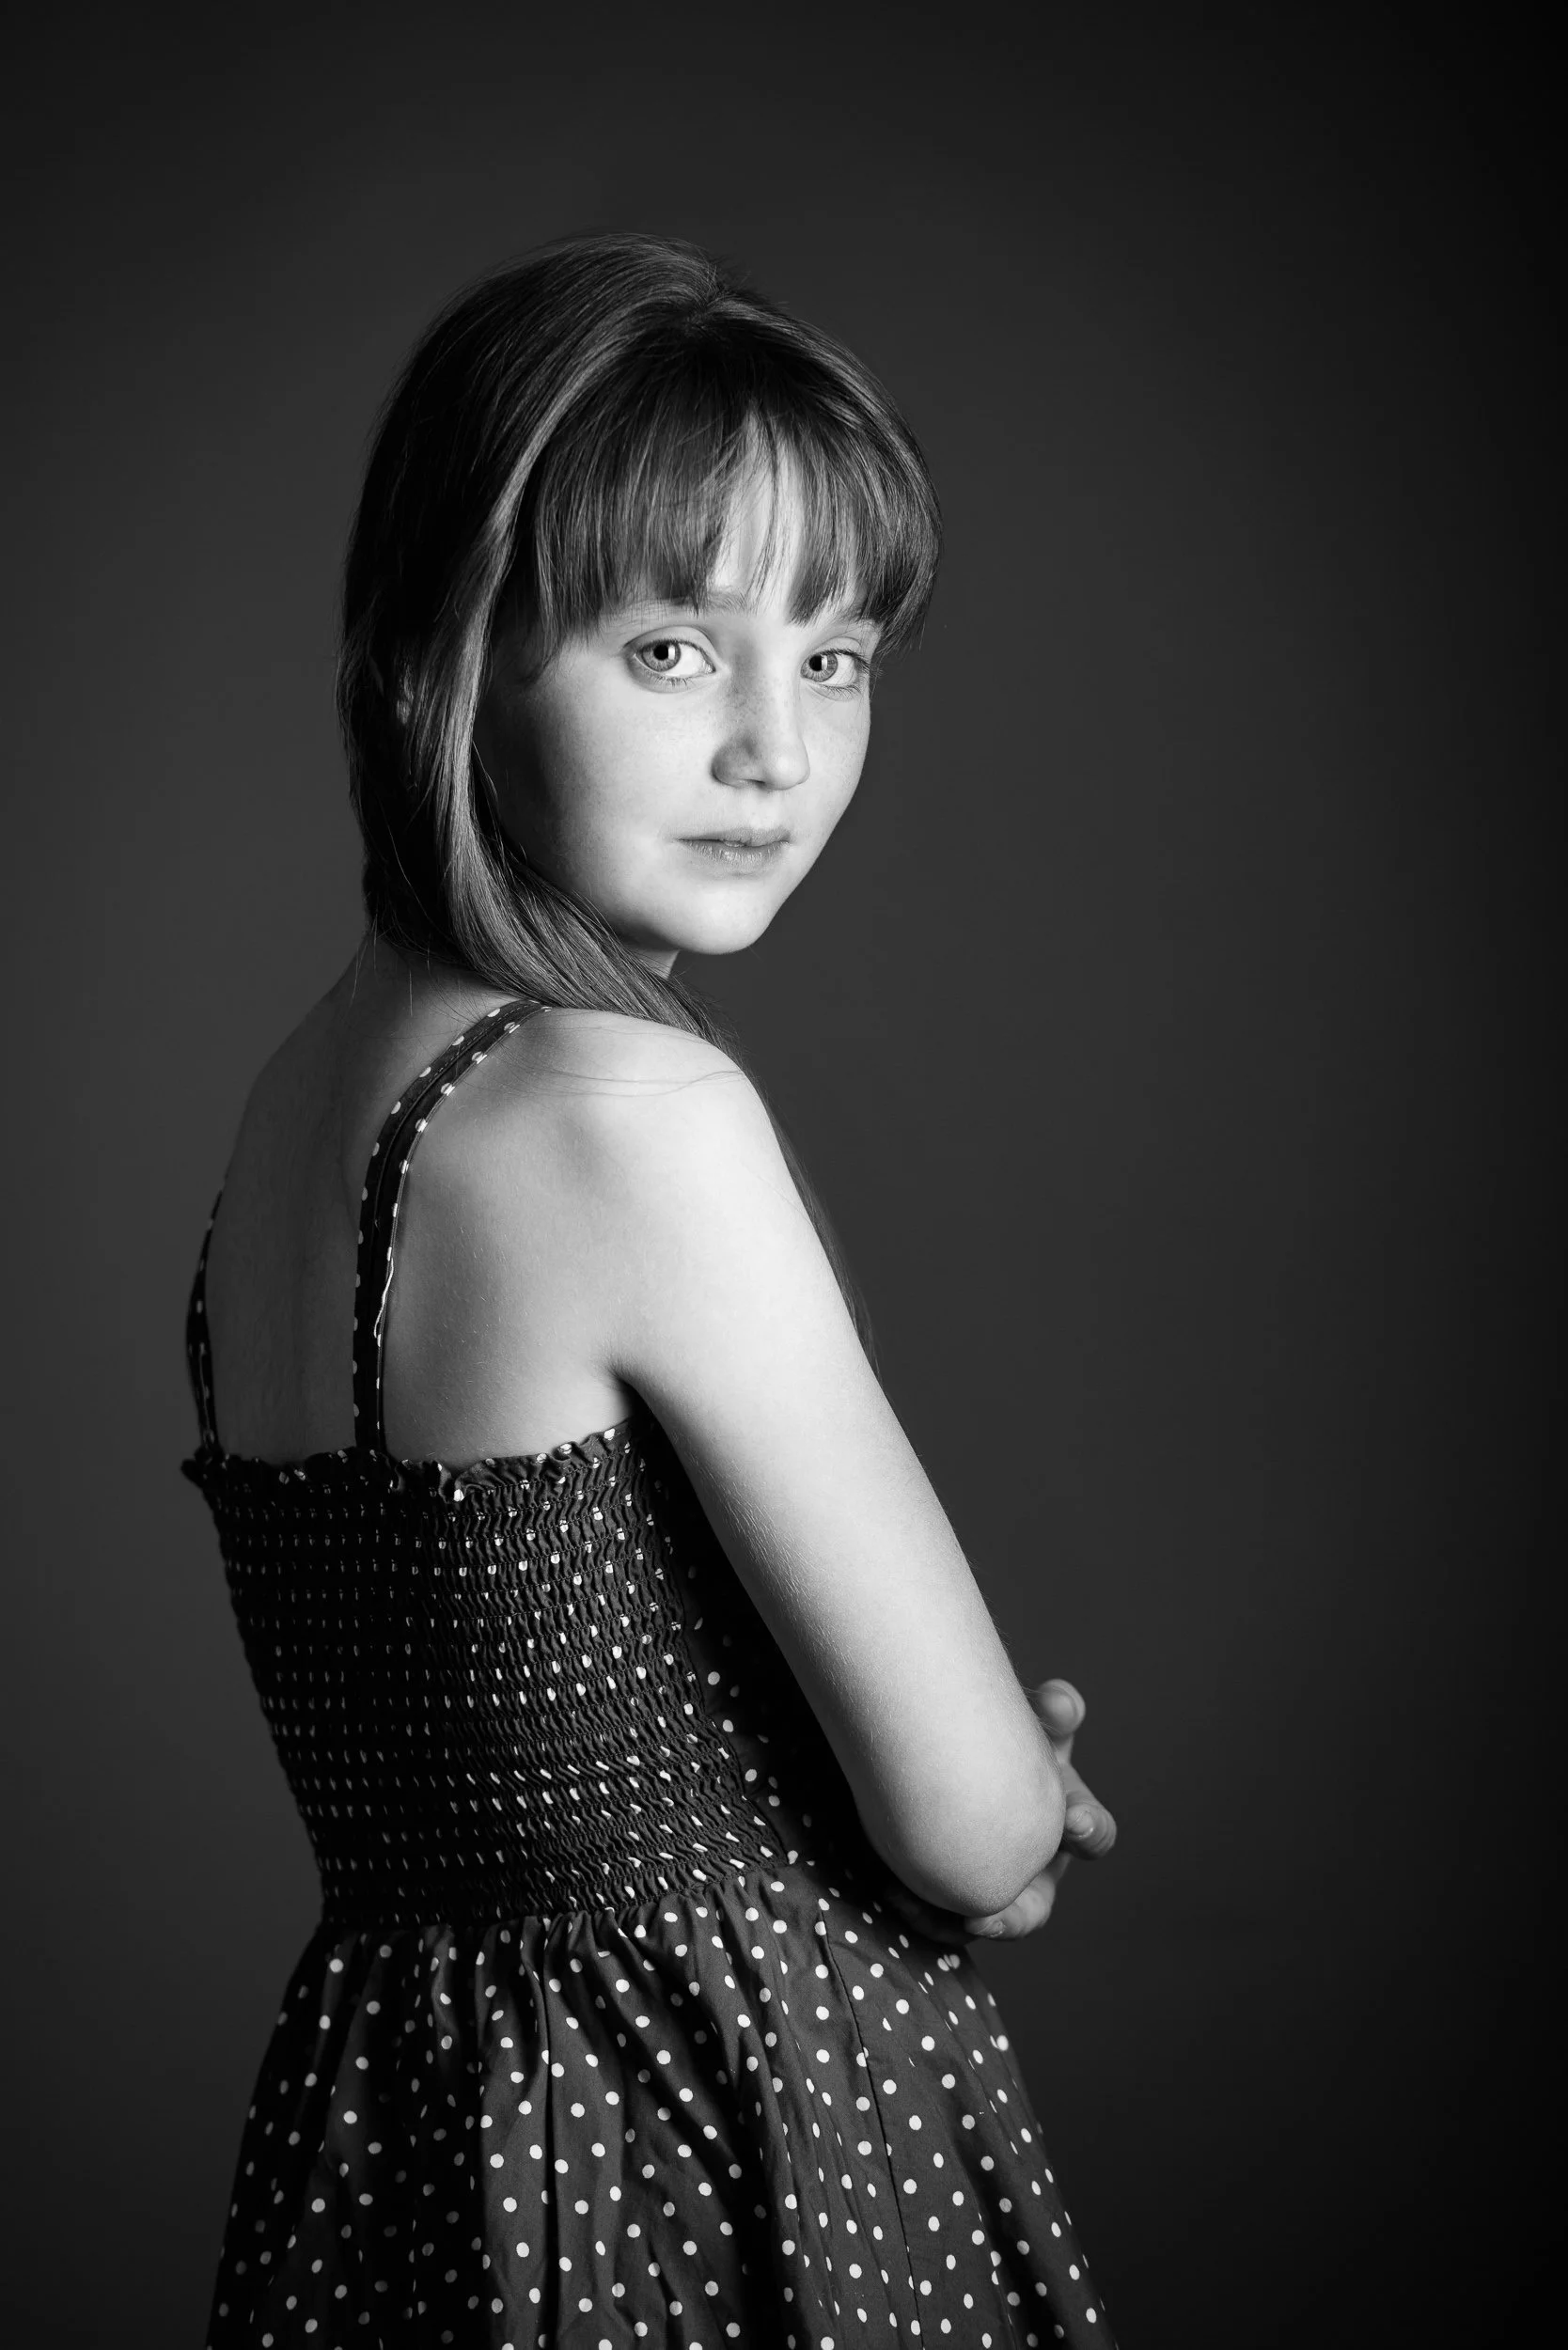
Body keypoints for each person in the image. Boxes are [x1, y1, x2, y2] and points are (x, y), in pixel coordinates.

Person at [183, 232, 1120, 2349]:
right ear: (450, 650)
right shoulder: (633, 1115)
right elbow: (965, 1825)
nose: (779, 751)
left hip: (399, 2122)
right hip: (704, 2121)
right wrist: (997, 1780)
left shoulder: (294, 1110)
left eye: (843, 651)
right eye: (675, 651)